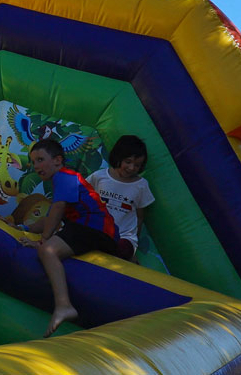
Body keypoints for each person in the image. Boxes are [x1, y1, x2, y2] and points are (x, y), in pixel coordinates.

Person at [19, 138, 119, 337]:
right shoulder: (66, 181)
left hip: (95, 229)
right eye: (33, 161)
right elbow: (50, 218)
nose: (36, 166)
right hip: (95, 230)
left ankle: (64, 305)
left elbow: (57, 210)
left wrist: (42, 241)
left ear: (57, 160)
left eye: (40, 159)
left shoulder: (64, 177)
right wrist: (23, 227)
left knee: (47, 251)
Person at [86, 134, 155, 262]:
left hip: (124, 237)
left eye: (137, 165)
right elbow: (83, 196)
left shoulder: (141, 185)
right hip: (99, 231)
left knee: (122, 249)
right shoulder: (100, 177)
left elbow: (140, 216)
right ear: (118, 157)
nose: (131, 168)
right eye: (128, 162)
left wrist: (134, 240)